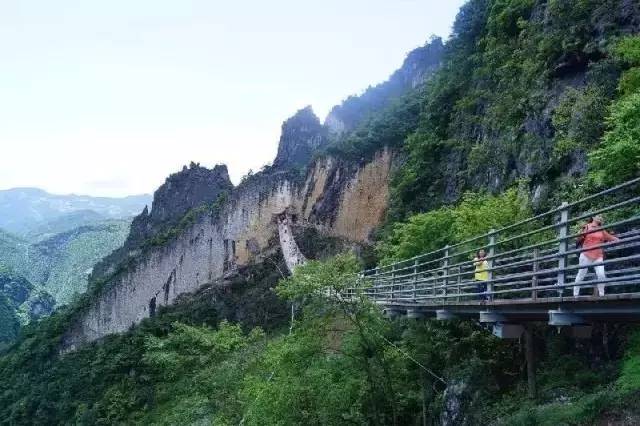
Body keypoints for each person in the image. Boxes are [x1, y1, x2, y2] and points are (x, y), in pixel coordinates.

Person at [574, 215, 619, 297]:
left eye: (602, 217)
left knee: (601, 275)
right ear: (593, 218)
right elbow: (579, 236)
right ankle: (575, 295)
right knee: (581, 275)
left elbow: (610, 237)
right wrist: (580, 233)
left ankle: (602, 295)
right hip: (586, 254)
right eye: (598, 216)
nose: (600, 217)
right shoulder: (587, 226)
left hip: (598, 255)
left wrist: (619, 239)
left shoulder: (601, 230)